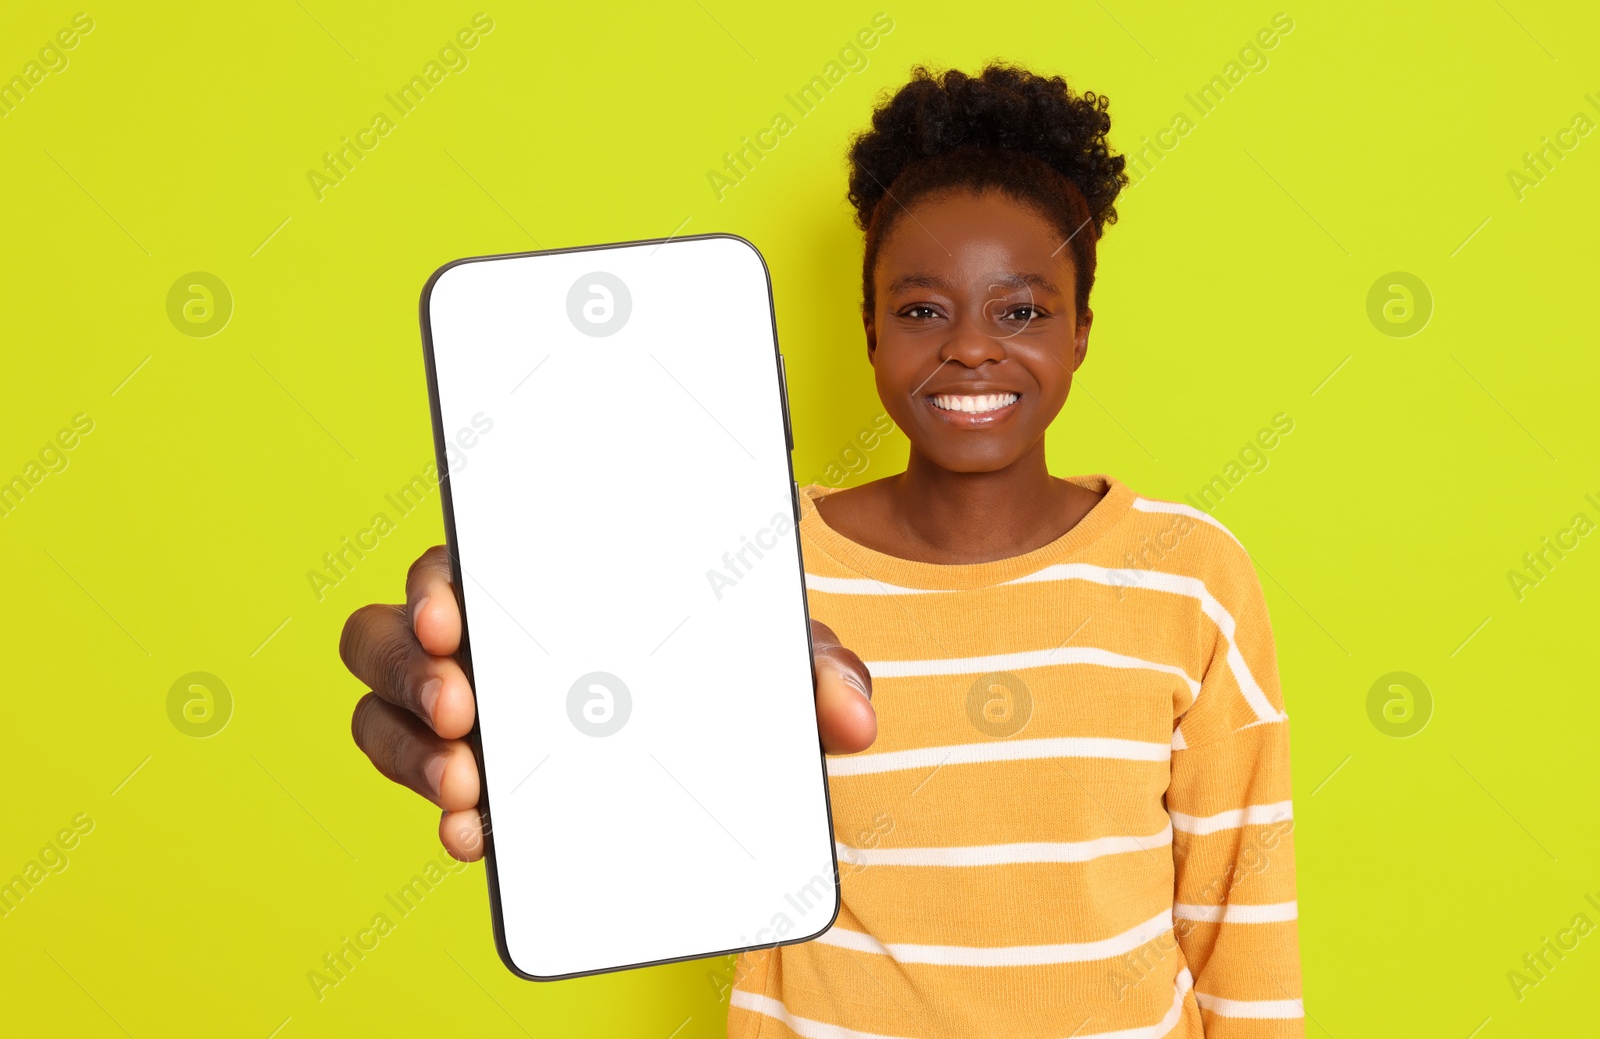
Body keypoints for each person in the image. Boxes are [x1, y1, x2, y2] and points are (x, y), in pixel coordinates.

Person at [339, 63, 1304, 1038]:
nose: (971, 347)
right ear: (869, 328)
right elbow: (636, 785)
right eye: (923, 309)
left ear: (1082, 329)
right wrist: (518, 695)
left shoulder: (1188, 573)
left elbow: (1242, 926)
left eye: (1021, 310)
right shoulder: (745, 554)